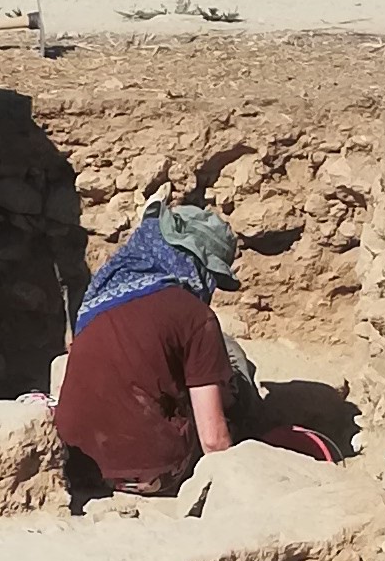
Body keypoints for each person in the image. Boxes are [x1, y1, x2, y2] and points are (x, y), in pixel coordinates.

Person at [51, 200, 251, 497]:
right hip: (153, 472)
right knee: (236, 377)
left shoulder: (100, 298)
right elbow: (213, 441)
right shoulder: (195, 316)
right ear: (197, 263)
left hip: (76, 464)